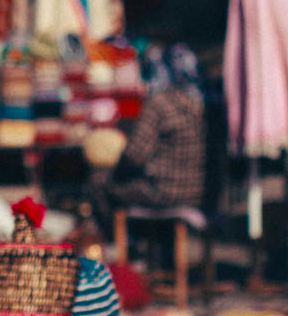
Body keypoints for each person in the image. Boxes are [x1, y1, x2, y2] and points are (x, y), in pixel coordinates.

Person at [87, 41, 207, 233]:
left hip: (162, 192)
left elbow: (134, 156)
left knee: (99, 180)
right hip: (197, 192)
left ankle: (118, 243)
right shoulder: (198, 103)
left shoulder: (159, 103)